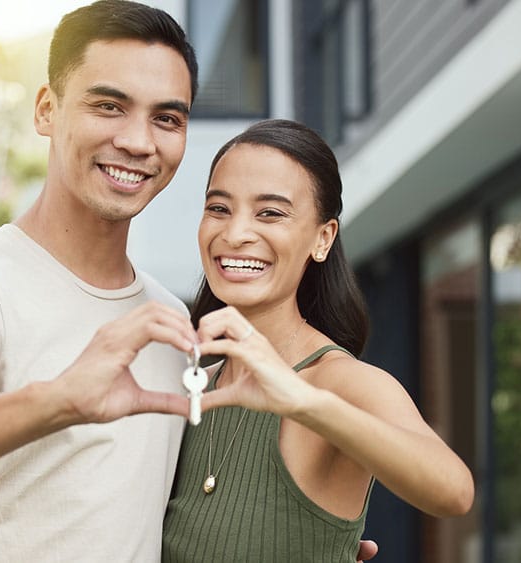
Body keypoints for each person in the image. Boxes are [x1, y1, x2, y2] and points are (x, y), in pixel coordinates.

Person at [0, 1, 379, 561]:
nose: (139, 141)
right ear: (47, 110)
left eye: (166, 118)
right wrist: (56, 401)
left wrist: (300, 542)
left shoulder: (173, 326)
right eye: (109, 106)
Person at [161, 119, 475, 562]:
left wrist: (303, 402)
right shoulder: (192, 385)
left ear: (322, 238)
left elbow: (453, 491)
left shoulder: (339, 382)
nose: (234, 234)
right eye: (219, 208)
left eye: (270, 212)